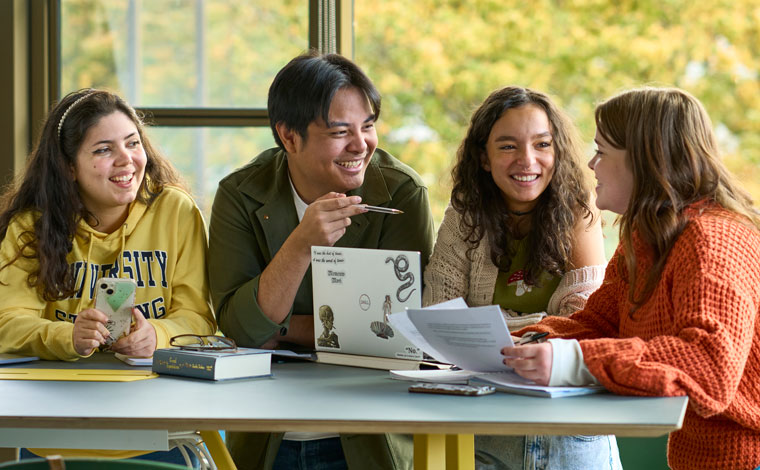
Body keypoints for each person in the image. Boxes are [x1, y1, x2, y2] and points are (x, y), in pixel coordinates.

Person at [505, 87, 760, 470]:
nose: (591, 164)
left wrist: (571, 361)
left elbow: (708, 364)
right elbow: (600, 324)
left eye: (602, 152)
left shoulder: (713, 238)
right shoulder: (647, 237)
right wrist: (521, 341)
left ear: (645, 161)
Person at [208, 51, 435, 470]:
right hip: (266, 430)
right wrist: (299, 245)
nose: (360, 144)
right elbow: (239, 330)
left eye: (368, 126)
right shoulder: (240, 194)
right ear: (289, 137)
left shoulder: (402, 193)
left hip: (371, 431)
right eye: (339, 131)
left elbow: (397, 335)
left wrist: (283, 328)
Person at [0, 88, 216, 463]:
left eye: (133, 143)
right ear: (69, 166)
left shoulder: (175, 211)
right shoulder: (29, 226)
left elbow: (200, 317)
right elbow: (6, 322)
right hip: (55, 434)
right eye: (103, 150)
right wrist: (68, 336)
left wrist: (156, 335)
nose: (127, 161)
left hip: (160, 431)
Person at [422, 86, 621, 469]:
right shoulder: (464, 213)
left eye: (542, 144)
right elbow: (440, 316)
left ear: (557, 151)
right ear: (483, 157)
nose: (527, 160)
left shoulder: (580, 211)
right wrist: (537, 333)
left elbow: (586, 323)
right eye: (508, 146)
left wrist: (490, 335)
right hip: (486, 425)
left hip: (571, 427)